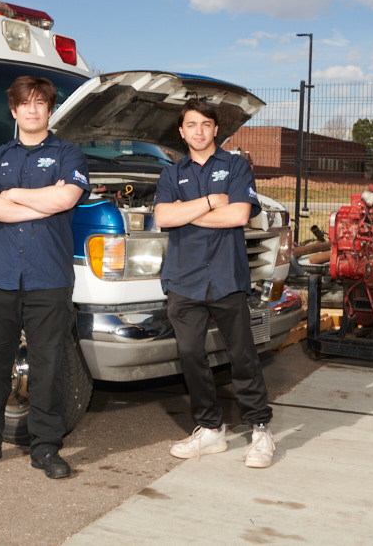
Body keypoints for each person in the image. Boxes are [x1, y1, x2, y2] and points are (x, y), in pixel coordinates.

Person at [0, 76, 90, 479]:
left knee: (48, 366)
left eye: (41, 103)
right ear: (13, 111)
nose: (33, 110)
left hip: (48, 277)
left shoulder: (69, 155)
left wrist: (11, 195)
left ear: (50, 110)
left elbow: (67, 198)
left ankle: (46, 449)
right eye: (25, 104)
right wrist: (40, 202)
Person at [153, 98, 275, 469]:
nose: (199, 131)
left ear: (216, 129)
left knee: (242, 355)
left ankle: (260, 430)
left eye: (205, 124)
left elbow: (238, 215)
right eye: (191, 125)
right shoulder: (171, 173)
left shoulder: (236, 166)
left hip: (226, 277)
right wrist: (208, 203)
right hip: (183, 279)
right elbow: (162, 216)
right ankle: (211, 430)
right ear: (182, 131)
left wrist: (185, 214)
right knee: (191, 355)